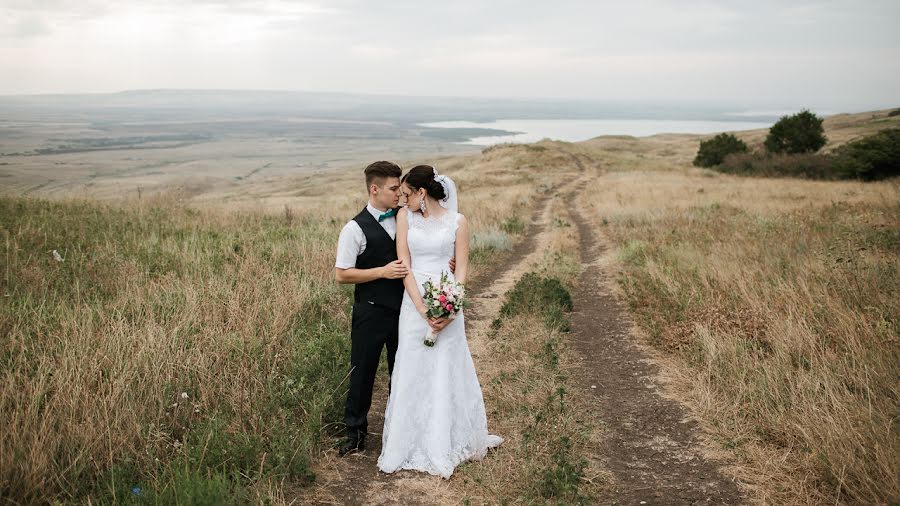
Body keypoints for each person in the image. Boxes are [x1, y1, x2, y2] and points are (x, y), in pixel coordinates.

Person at [377, 165, 502, 478]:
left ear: (422, 192)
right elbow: (404, 263)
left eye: (407, 194)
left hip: (447, 298)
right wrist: (422, 309)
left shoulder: (458, 222)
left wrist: (451, 307)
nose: (402, 200)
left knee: (447, 365)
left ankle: (446, 439)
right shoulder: (405, 218)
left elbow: (460, 269)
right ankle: (409, 441)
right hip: (414, 300)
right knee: (412, 364)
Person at [334, 161, 455, 457]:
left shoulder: (408, 217)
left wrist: (445, 264)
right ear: (374, 190)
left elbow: (428, 247)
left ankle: (401, 430)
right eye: (392, 189)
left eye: (400, 188)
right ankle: (355, 434)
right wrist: (382, 272)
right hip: (371, 311)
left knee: (403, 373)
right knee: (362, 372)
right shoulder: (354, 229)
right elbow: (342, 274)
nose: (399, 194)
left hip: (405, 311)